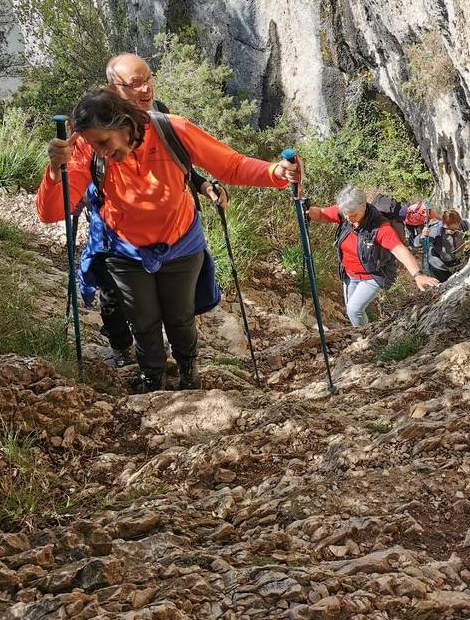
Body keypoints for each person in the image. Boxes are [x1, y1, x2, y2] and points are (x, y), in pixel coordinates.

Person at [37, 90, 298, 391]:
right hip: (125, 250)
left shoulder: (172, 130)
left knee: (180, 317)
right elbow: (51, 211)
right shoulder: (87, 147)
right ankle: (153, 379)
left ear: (123, 124)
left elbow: (231, 165)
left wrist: (274, 172)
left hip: (181, 244)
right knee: (143, 321)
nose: (100, 151)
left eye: (105, 142)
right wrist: (57, 170)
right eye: (94, 144)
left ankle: (188, 371)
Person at [83, 53, 227, 367]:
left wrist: (203, 185)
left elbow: (180, 162)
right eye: (135, 84)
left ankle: (181, 367)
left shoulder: (160, 117)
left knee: (175, 310)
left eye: (148, 79)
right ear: (113, 88)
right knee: (112, 295)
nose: (146, 89)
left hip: (173, 236)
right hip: (116, 231)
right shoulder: (95, 123)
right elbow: (79, 170)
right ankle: (122, 349)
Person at [305, 184, 439, 327]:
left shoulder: (380, 227)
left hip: (375, 275)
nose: (349, 219)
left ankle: (364, 339)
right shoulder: (346, 212)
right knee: (353, 309)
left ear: (363, 207)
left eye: (354, 215)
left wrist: (418, 275)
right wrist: (305, 209)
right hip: (350, 274)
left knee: (353, 310)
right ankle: (364, 334)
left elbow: (400, 250)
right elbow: (320, 214)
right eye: (346, 215)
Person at [417, 209, 470, 283]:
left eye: (457, 228)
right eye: (452, 229)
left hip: (459, 266)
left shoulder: (464, 225)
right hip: (440, 269)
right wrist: (422, 235)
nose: (456, 230)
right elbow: (416, 243)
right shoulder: (435, 231)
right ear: (445, 225)